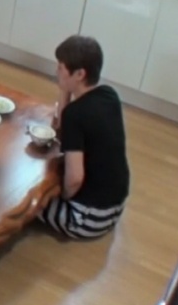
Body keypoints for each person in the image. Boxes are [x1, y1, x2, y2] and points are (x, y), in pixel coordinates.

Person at [37, 35, 130, 240]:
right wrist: (64, 90)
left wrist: (62, 196)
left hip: (88, 220)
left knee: (27, 203)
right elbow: (63, 128)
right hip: (115, 208)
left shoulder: (76, 115)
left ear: (79, 74)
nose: (56, 71)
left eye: (61, 67)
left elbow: (75, 179)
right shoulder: (109, 95)